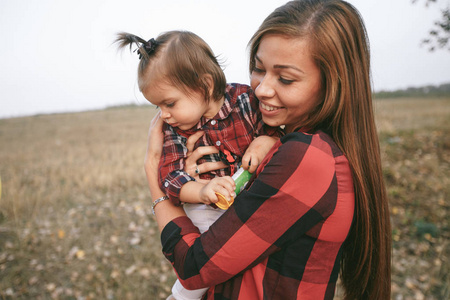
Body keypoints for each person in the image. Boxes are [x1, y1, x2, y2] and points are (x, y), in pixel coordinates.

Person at [145, 0, 392, 299]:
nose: (260, 89)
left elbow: (195, 267)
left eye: (285, 78)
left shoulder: (309, 159)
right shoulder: (292, 147)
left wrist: (154, 177)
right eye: (258, 68)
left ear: (334, 84)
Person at [116, 30, 280, 300]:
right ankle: (183, 295)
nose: (164, 114)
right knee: (202, 261)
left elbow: (279, 136)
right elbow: (170, 179)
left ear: (204, 85)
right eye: (157, 106)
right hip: (203, 209)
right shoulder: (174, 130)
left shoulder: (245, 101)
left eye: (169, 103)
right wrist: (201, 191)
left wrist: (266, 140)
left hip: (248, 206)